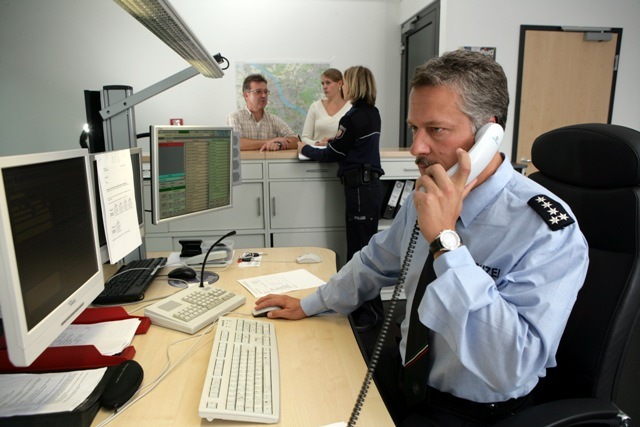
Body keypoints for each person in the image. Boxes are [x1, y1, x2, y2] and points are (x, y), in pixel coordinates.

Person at [257, 49, 589, 426]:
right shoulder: (430, 191)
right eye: (415, 128)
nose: (417, 148)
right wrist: (311, 304)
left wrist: (446, 242)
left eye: (436, 130)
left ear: (488, 135)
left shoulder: (545, 230)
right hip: (407, 381)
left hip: (475, 413)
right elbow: (374, 262)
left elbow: (510, 367)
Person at [297, 65, 385, 332]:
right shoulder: (372, 113)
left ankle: (368, 315)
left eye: (344, 82)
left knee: (359, 253)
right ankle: (366, 310)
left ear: (352, 85)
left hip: (359, 189)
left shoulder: (353, 117)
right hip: (368, 188)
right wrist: (333, 142)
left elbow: (331, 155)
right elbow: (347, 146)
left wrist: (305, 148)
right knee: (364, 250)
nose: (342, 87)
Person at [227, 74, 299, 151]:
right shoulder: (235, 117)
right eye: (258, 92)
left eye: (265, 91)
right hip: (246, 163)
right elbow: (237, 143)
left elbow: (296, 140)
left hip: (269, 163)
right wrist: (270, 141)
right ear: (246, 95)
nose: (264, 95)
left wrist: (279, 144)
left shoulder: (274, 120)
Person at [300, 68, 351, 146]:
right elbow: (305, 138)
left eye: (328, 83)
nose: (324, 87)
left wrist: (330, 144)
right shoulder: (315, 106)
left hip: (339, 157)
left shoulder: (350, 108)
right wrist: (318, 143)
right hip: (316, 155)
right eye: (323, 83)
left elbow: (351, 140)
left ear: (340, 84)